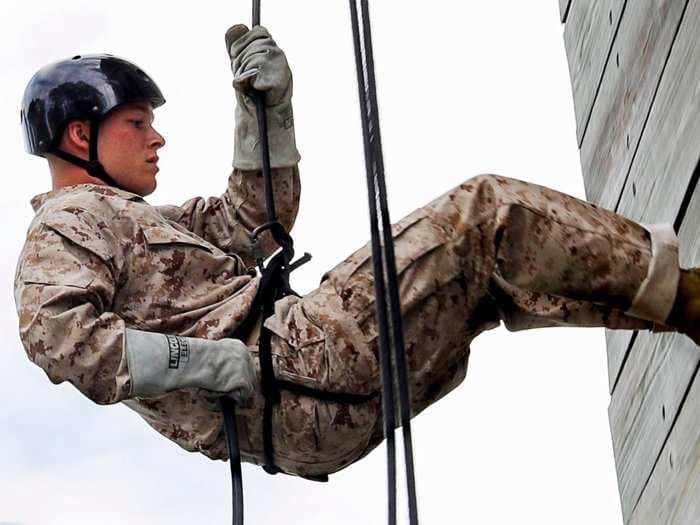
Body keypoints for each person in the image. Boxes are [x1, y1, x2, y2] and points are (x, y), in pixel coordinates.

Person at [14, 24, 700, 480]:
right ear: (80, 136)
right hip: (293, 360)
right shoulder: (70, 224)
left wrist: (268, 110)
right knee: (485, 216)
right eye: (137, 124)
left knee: (485, 280)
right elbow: (60, 338)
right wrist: (204, 360)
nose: (154, 139)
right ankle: (687, 294)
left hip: (306, 414)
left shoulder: (144, 225)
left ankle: (674, 307)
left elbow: (257, 221)